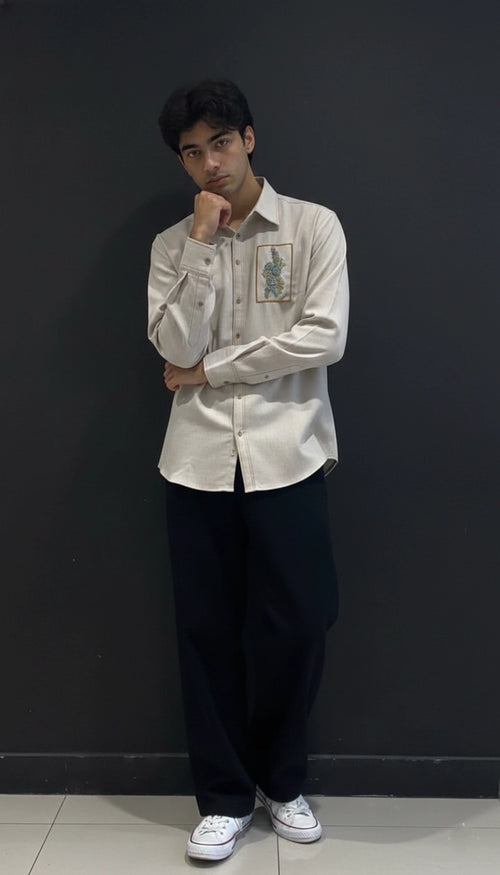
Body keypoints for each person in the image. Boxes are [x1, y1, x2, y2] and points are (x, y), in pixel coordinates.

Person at [147, 79, 349, 862]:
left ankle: (283, 779)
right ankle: (226, 797)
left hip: (288, 453)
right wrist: (202, 244)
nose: (210, 163)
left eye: (221, 143)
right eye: (192, 151)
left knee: (300, 621)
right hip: (196, 464)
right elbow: (173, 346)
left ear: (250, 139)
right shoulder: (173, 245)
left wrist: (213, 370)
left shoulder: (312, 227)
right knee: (206, 633)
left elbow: (323, 336)